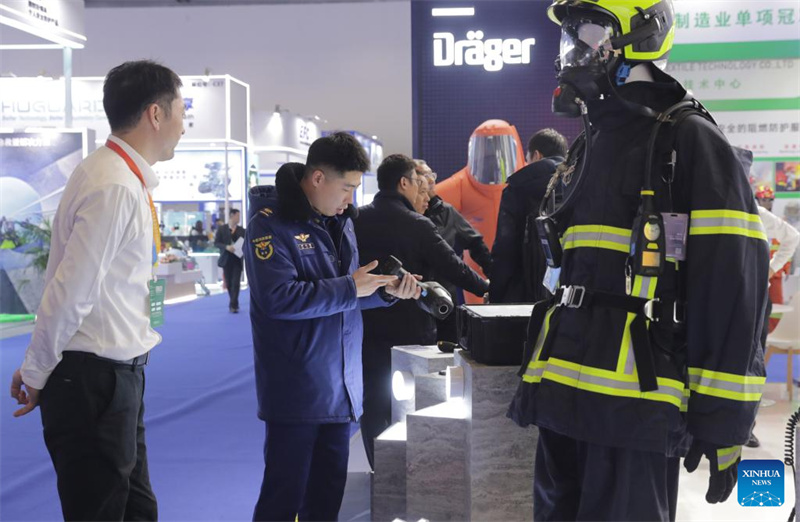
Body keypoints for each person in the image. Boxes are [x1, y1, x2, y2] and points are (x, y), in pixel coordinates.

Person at [508, 2, 769, 520]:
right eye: (569, 35)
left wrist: (725, 422)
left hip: (636, 408)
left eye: (589, 32)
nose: (574, 49)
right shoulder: (593, 143)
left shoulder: (689, 140)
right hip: (562, 400)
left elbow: (731, 288)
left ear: (641, 36)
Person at [8, 60, 185, 521]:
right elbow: (70, 291)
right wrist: (37, 368)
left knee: (135, 509)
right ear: (155, 114)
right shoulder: (114, 186)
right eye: (182, 111)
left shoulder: (113, 175)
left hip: (112, 378)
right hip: (93, 381)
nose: (185, 125)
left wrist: (37, 363)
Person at [244, 133, 419, 521]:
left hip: (341, 390)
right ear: (318, 178)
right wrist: (350, 287)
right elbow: (278, 299)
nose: (350, 199)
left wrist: (385, 291)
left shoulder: (341, 224)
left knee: (325, 503)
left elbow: (348, 298)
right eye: (347, 188)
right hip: (297, 390)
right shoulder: (269, 226)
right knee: (282, 499)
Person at [354, 154, 489, 468]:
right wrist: (487, 289)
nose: (425, 193)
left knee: (373, 404)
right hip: (413, 333)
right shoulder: (418, 224)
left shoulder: (356, 220)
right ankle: (414, 474)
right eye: (419, 185)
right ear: (404, 183)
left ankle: (380, 471)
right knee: (416, 407)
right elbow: (455, 268)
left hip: (366, 330)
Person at [435, 119, 526, 303]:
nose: (492, 156)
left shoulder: (524, 181)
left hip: (519, 268)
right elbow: (423, 201)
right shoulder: (462, 185)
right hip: (476, 274)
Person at [417, 160, 492, 342]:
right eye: (424, 176)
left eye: (431, 175)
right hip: (414, 303)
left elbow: (476, 244)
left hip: (447, 301)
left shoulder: (447, 213)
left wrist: (495, 279)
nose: (431, 181)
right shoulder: (408, 218)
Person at [490, 129, 567, 304]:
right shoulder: (580, 180)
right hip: (574, 295)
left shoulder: (518, 187)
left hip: (527, 298)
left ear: (537, 155)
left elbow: (505, 250)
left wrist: (496, 296)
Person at [215, 208, 245, 313]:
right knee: (228, 283)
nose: (239, 218)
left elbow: (245, 244)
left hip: (237, 259)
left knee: (236, 282)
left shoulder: (242, 230)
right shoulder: (222, 229)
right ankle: (233, 302)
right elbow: (217, 243)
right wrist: (226, 247)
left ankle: (233, 305)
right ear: (232, 216)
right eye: (238, 216)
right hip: (226, 260)